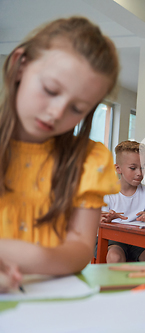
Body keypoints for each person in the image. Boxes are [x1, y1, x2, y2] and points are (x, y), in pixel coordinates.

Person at [0, 17, 120, 286]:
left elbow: (79, 249)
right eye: (50, 90)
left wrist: (26, 256)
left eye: (77, 109)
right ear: (20, 65)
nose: (56, 113)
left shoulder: (89, 160)